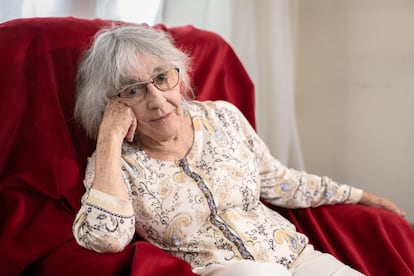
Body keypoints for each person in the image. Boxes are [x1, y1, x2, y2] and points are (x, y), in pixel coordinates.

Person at [72, 24, 406, 276]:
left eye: (161, 77)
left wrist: (358, 195)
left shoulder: (223, 117)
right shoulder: (114, 163)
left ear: (179, 73)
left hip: (295, 257)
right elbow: (105, 238)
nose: (157, 100)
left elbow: (280, 181)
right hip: (228, 270)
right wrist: (110, 137)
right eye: (133, 90)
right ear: (111, 105)